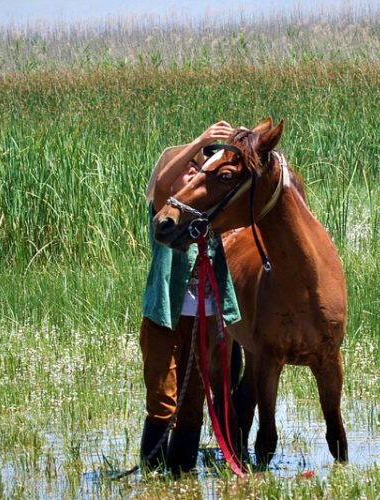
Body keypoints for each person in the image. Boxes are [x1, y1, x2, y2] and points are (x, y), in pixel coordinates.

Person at [138, 121, 242, 475]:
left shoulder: (208, 216)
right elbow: (165, 182)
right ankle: (152, 475)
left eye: (197, 169)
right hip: (164, 320)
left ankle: (182, 476)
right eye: (188, 169)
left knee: (193, 404)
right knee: (163, 403)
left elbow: (237, 184)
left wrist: (242, 145)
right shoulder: (163, 213)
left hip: (204, 321)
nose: (193, 173)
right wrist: (200, 140)